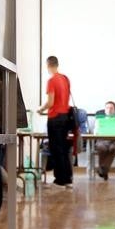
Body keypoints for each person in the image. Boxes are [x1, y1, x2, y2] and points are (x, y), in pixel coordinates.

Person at [37, 55, 74, 188]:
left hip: (55, 118)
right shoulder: (65, 79)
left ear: (48, 65)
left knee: (56, 149)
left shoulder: (51, 80)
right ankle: (68, 178)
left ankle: (60, 179)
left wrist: (40, 109)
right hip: (65, 117)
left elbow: (50, 102)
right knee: (64, 148)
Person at [92, 101, 115, 180]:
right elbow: (95, 131)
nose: (109, 110)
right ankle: (104, 171)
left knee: (113, 148)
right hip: (103, 140)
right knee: (102, 147)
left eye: (111, 108)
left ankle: (102, 169)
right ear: (105, 110)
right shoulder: (100, 119)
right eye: (107, 108)